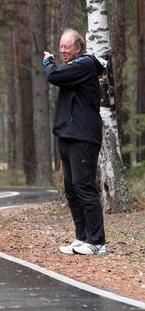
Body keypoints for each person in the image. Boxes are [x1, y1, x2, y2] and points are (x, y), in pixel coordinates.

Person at [43, 28, 106, 255]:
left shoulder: (85, 64)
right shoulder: (73, 68)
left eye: (66, 47)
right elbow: (61, 76)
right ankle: (82, 238)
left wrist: (48, 62)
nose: (61, 50)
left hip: (84, 137)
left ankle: (97, 242)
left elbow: (54, 76)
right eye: (60, 47)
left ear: (78, 48)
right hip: (67, 135)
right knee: (71, 189)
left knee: (84, 187)